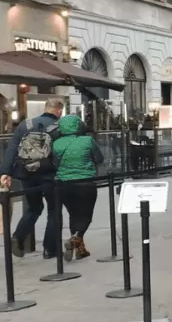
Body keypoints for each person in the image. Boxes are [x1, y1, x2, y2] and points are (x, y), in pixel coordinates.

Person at [0, 97, 64, 259]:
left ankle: (18, 236)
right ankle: (51, 249)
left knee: (34, 208)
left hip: (27, 173)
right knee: (54, 210)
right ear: (58, 110)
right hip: (50, 175)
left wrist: (5, 172)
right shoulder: (58, 127)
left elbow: (12, 149)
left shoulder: (25, 125)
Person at [52, 114, 105, 260]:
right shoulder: (87, 140)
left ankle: (80, 250)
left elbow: (55, 163)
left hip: (63, 184)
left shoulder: (56, 143)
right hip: (85, 182)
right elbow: (99, 159)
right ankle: (76, 237)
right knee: (86, 215)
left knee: (73, 215)